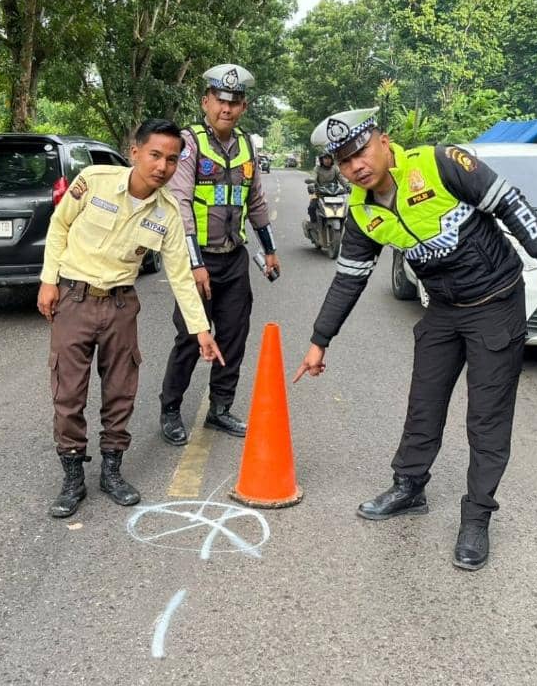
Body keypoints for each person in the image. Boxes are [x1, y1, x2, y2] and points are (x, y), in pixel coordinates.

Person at [293, 108, 537, 571]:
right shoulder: (363, 212)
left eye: (360, 151)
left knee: (486, 417)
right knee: (423, 402)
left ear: (383, 141)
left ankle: (477, 516)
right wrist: (320, 340)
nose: (355, 166)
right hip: (442, 310)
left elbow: (509, 202)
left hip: (495, 302)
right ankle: (409, 487)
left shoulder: (440, 164)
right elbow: (348, 279)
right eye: (343, 162)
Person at [37, 119, 224, 519]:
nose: (162, 166)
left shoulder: (168, 211)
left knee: (120, 391)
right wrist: (48, 281)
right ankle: (72, 478)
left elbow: (179, 274)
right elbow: (59, 226)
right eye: (155, 155)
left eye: (172, 160)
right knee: (68, 393)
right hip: (74, 298)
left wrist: (201, 330)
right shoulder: (94, 181)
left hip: (121, 306)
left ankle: (111, 471)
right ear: (135, 151)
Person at [158, 64, 281, 446]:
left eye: (235, 102)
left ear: (243, 107)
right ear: (205, 102)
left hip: (234, 257)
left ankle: (220, 409)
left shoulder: (246, 146)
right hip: (198, 258)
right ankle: (171, 409)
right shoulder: (190, 143)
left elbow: (255, 201)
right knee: (191, 336)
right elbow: (179, 203)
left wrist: (271, 250)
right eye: (219, 101)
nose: (226, 109)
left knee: (233, 335)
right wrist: (194, 263)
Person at [307, 152, 350, 225]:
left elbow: (341, 178)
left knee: (347, 207)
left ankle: (346, 226)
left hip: (334, 192)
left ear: (332, 159)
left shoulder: (335, 168)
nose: (327, 160)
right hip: (318, 192)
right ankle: (313, 224)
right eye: (325, 158)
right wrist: (311, 185)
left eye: (329, 158)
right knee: (312, 207)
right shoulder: (317, 168)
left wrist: (347, 186)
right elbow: (313, 177)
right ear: (321, 160)